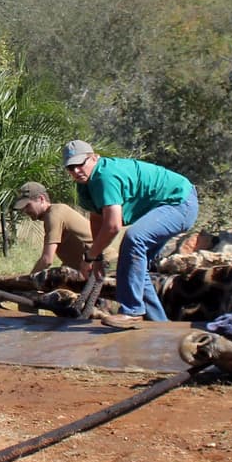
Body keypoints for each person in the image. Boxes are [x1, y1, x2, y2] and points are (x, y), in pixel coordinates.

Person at [63, 140, 199, 329]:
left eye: (81, 164)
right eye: (71, 167)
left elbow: (112, 226)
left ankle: (132, 311)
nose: (76, 171)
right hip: (168, 205)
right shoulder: (84, 185)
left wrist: (89, 256)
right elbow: (97, 219)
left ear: (94, 158)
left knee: (134, 240)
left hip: (180, 202)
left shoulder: (104, 176)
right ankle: (161, 327)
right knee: (135, 265)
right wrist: (98, 258)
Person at [11, 181, 119, 274]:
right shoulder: (54, 213)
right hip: (94, 267)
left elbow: (47, 260)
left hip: (105, 265)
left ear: (41, 199)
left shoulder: (54, 215)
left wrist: (29, 281)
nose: (25, 211)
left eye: (28, 206)